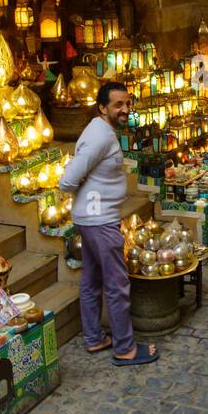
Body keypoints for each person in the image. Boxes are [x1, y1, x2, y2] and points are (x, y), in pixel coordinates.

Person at [60, 80, 159, 367]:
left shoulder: (101, 131)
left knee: (91, 281)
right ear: (102, 107)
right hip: (99, 221)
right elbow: (67, 179)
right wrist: (83, 189)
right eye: (118, 104)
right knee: (117, 284)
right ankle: (124, 348)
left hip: (93, 219)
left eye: (127, 103)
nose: (125, 109)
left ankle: (93, 338)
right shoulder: (100, 136)